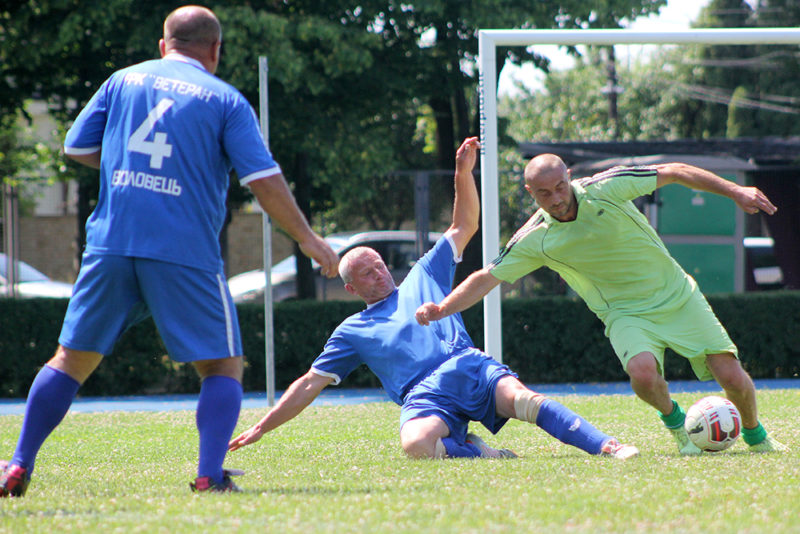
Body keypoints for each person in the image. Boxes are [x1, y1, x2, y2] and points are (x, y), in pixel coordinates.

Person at [0, 5, 339, 497]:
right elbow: (263, 180)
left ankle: (17, 464)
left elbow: (76, 147)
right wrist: (307, 238)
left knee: (70, 360)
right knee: (222, 365)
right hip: (183, 248)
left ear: (164, 45)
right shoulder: (225, 99)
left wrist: (128, 167)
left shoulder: (121, 80)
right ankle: (209, 475)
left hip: (111, 243)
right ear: (215, 50)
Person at [228, 137, 639, 462]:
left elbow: (464, 226)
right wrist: (263, 426)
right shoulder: (351, 331)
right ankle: (483, 453)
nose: (380, 273)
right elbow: (308, 383)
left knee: (525, 401)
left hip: (467, 365)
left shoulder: (422, 275)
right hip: (423, 395)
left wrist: (463, 172)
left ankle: (607, 446)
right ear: (350, 288)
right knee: (416, 445)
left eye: (379, 265)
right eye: (367, 273)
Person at [415, 153, 789, 456]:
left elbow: (674, 171)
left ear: (569, 177)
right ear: (530, 193)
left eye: (560, 187)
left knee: (732, 377)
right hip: (624, 313)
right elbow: (488, 276)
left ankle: (756, 435)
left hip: (677, 295)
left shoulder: (608, 186)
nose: (556, 199)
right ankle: (677, 425)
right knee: (642, 374)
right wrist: (441, 309)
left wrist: (735, 191)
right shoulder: (536, 238)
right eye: (544, 194)